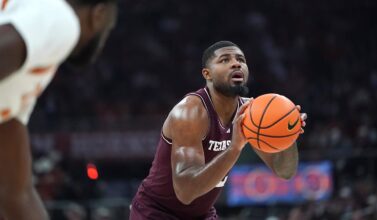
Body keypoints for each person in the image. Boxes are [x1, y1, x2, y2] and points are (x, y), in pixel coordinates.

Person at [129, 41, 308, 219]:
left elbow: (284, 171)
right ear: (208, 74)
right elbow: (185, 192)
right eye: (224, 60)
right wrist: (234, 148)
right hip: (157, 212)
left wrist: (286, 135)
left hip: (201, 214)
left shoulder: (251, 114)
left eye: (240, 59)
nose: (236, 63)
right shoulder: (191, 112)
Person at [0, 0, 117, 219]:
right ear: (99, 14)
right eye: (110, 28)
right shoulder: (61, 17)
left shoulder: (25, 76)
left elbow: (16, 195)